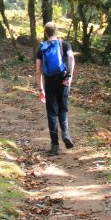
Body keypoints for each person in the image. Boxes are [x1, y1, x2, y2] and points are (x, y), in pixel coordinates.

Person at [36, 22, 75, 155]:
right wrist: (69, 76)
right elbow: (70, 57)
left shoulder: (41, 48)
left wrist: (40, 90)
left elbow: (38, 71)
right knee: (63, 109)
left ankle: (54, 146)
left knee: (52, 112)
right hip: (63, 80)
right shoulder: (64, 44)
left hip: (49, 82)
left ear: (46, 32)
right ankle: (66, 135)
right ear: (56, 31)